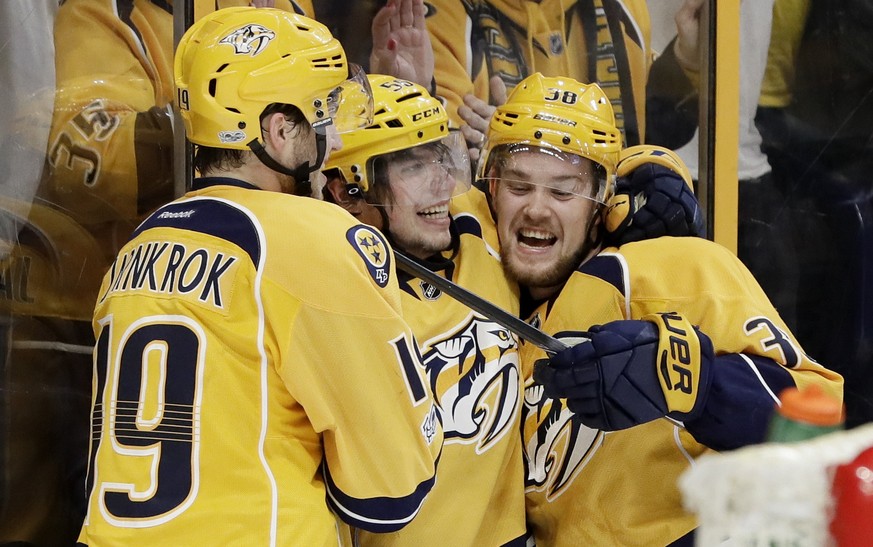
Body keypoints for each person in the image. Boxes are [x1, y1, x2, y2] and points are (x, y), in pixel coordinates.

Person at [77, 8, 442, 545]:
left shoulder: (135, 249)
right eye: (323, 120)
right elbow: (390, 492)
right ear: (278, 130)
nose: (336, 143)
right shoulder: (314, 239)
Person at [477, 73, 844, 545]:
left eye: (564, 191)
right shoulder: (482, 287)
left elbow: (822, 428)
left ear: (602, 202)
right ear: (490, 190)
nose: (537, 210)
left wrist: (701, 384)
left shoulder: (671, 266)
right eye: (518, 187)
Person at [323, 73, 526, 546]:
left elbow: (571, 194)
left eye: (441, 157)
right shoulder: (333, 303)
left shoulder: (483, 231)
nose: (444, 181)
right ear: (347, 192)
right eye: (413, 167)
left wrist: (649, 175)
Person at [408, 0, 705, 161]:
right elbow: (443, 166)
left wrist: (686, 60)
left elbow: (641, 137)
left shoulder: (623, 7)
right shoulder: (439, 12)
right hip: (492, 257)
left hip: (612, 246)